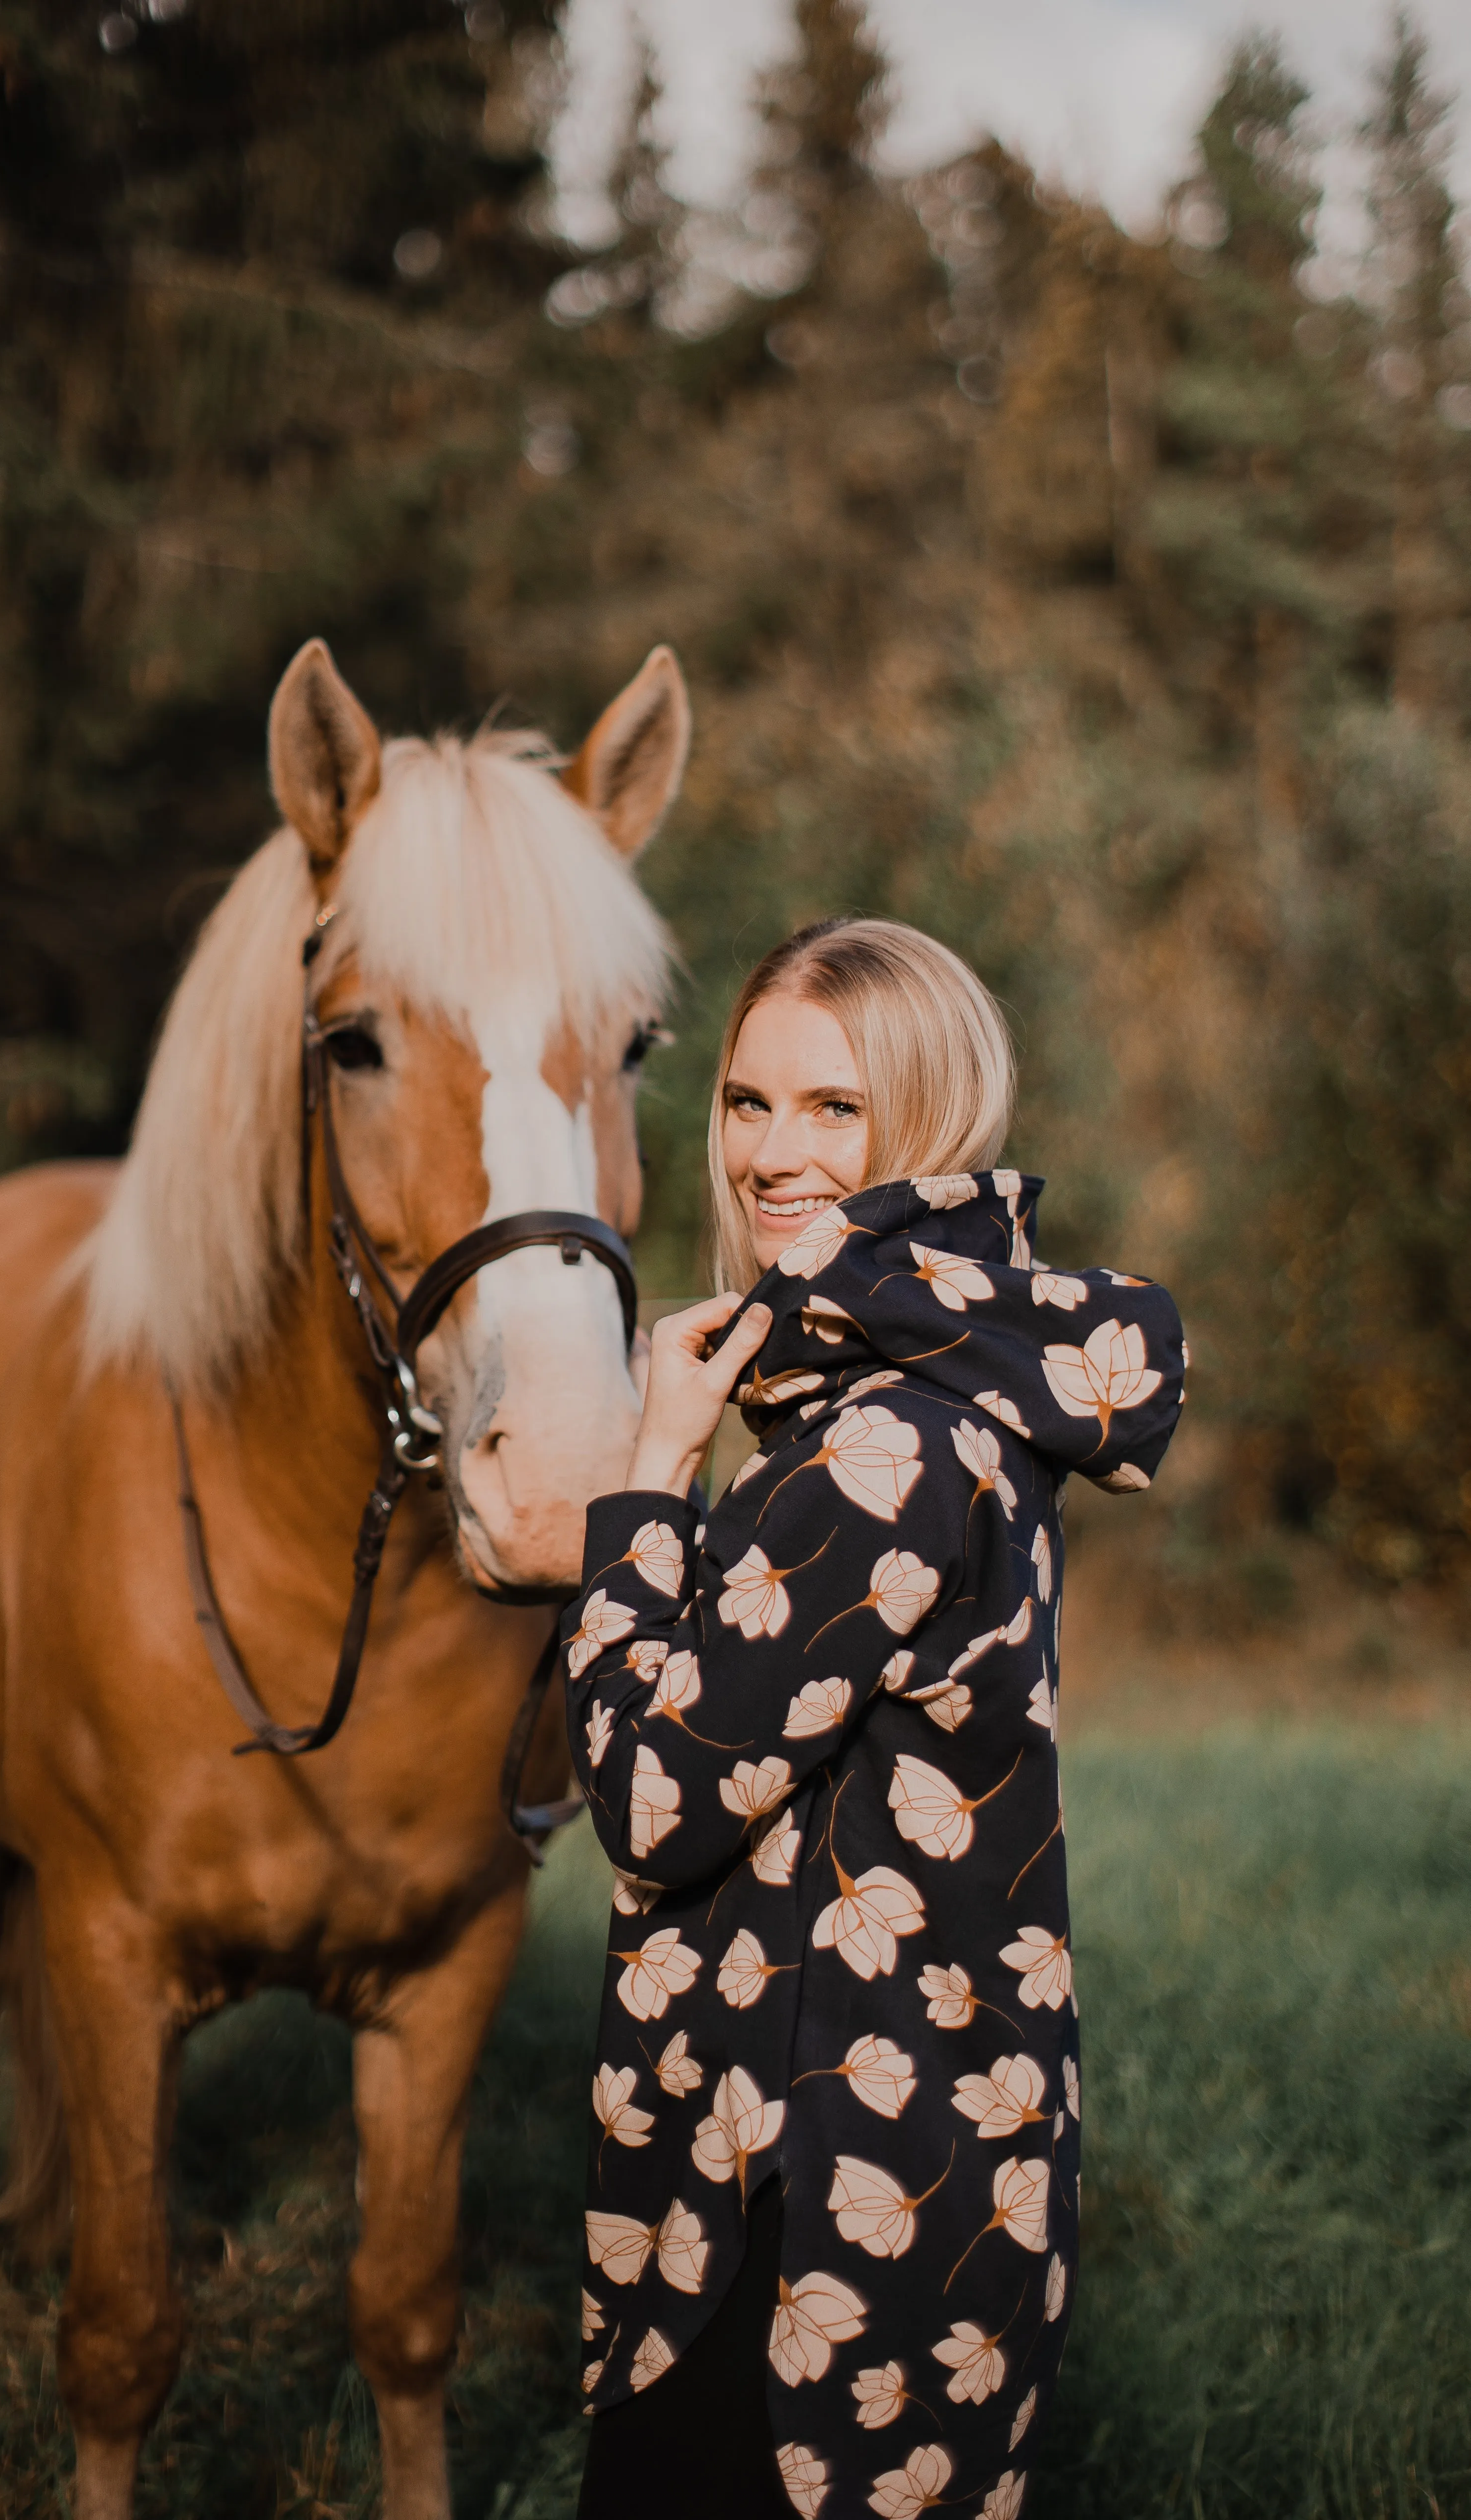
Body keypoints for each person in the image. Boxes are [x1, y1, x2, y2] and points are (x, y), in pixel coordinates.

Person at [564, 917, 1186, 2520]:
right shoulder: (940, 1386)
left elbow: (646, 1806)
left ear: (932, 1122)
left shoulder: (883, 1443)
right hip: (915, 2148)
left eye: (834, 1109)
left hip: (811, 2184)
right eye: (746, 1102)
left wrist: (646, 1483)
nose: (775, 1154)